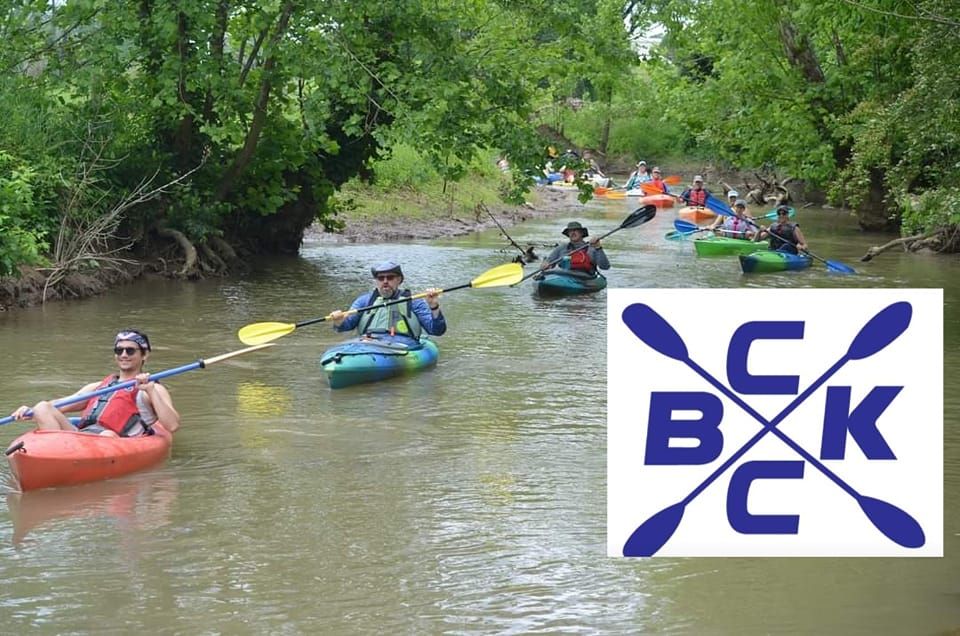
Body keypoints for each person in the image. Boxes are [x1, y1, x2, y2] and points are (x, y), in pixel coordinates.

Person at [10, 329, 180, 437]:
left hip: (114, 441)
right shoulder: (98, 387)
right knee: (42, 407)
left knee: (107, 435)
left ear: (144, 355)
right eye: (119, 350)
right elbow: (58, 405)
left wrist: (150, 390)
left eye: (130, 350)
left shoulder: (152, 388)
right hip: (83, 437)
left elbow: (172, 425)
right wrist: (29, 411)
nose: (124, 355)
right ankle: (52, 459)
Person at [329, 261, 446, 347]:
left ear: (399, 280)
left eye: (390, 277)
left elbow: (436, 330)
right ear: (376, 281)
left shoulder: (414, 301)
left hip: (402, 344)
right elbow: (346, 326)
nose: (385, 281)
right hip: (368, 342)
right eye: (380, 278)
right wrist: (339, 322)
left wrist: (433, 306)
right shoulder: (364, 301)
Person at [540, 221, 611, 275]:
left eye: (576, 230)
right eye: (570, 231)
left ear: (582, 233)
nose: (573, 233)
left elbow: (605, 267)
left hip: (585, 278)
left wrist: (598, 248)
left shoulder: (592, 248)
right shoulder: (561, 248)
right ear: (568, 234)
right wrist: (545, 264)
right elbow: (549, 262)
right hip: (564, 276)